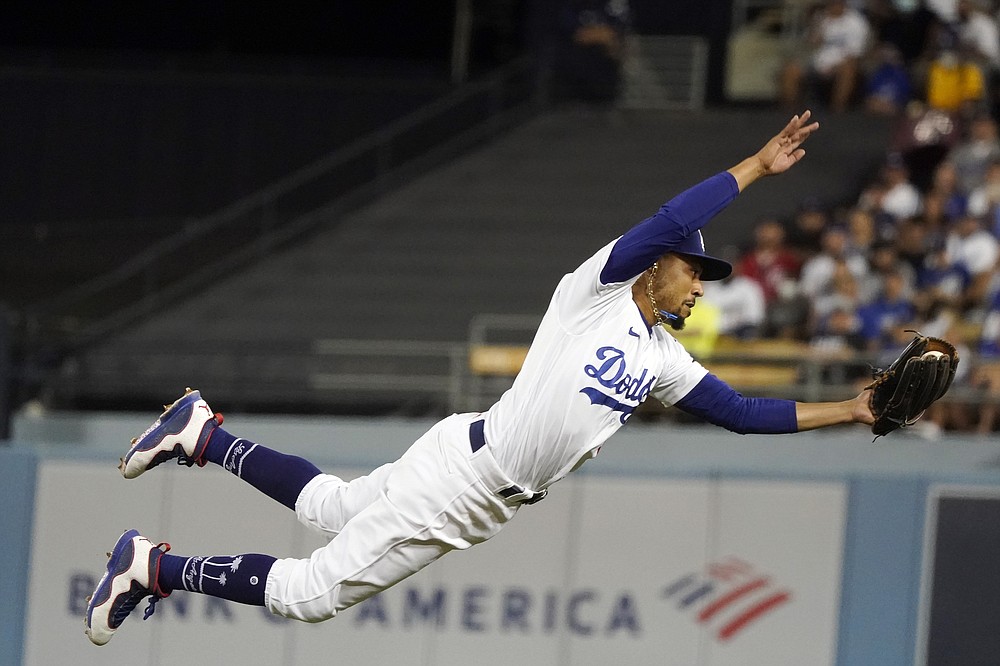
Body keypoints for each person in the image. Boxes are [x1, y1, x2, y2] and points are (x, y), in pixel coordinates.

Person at [84, 111, 877, 646]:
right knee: (309, 595)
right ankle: (154, 566)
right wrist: (756, 168)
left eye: (705, 275)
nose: (700, 284)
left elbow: (741, 412)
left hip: (467, 461)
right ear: (654, 270)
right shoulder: (592, 295)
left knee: (328, 504)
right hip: (468, 479)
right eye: (692, 271)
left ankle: (202, 433)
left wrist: (850, 408)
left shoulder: (666, 358)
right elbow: (673, 218)